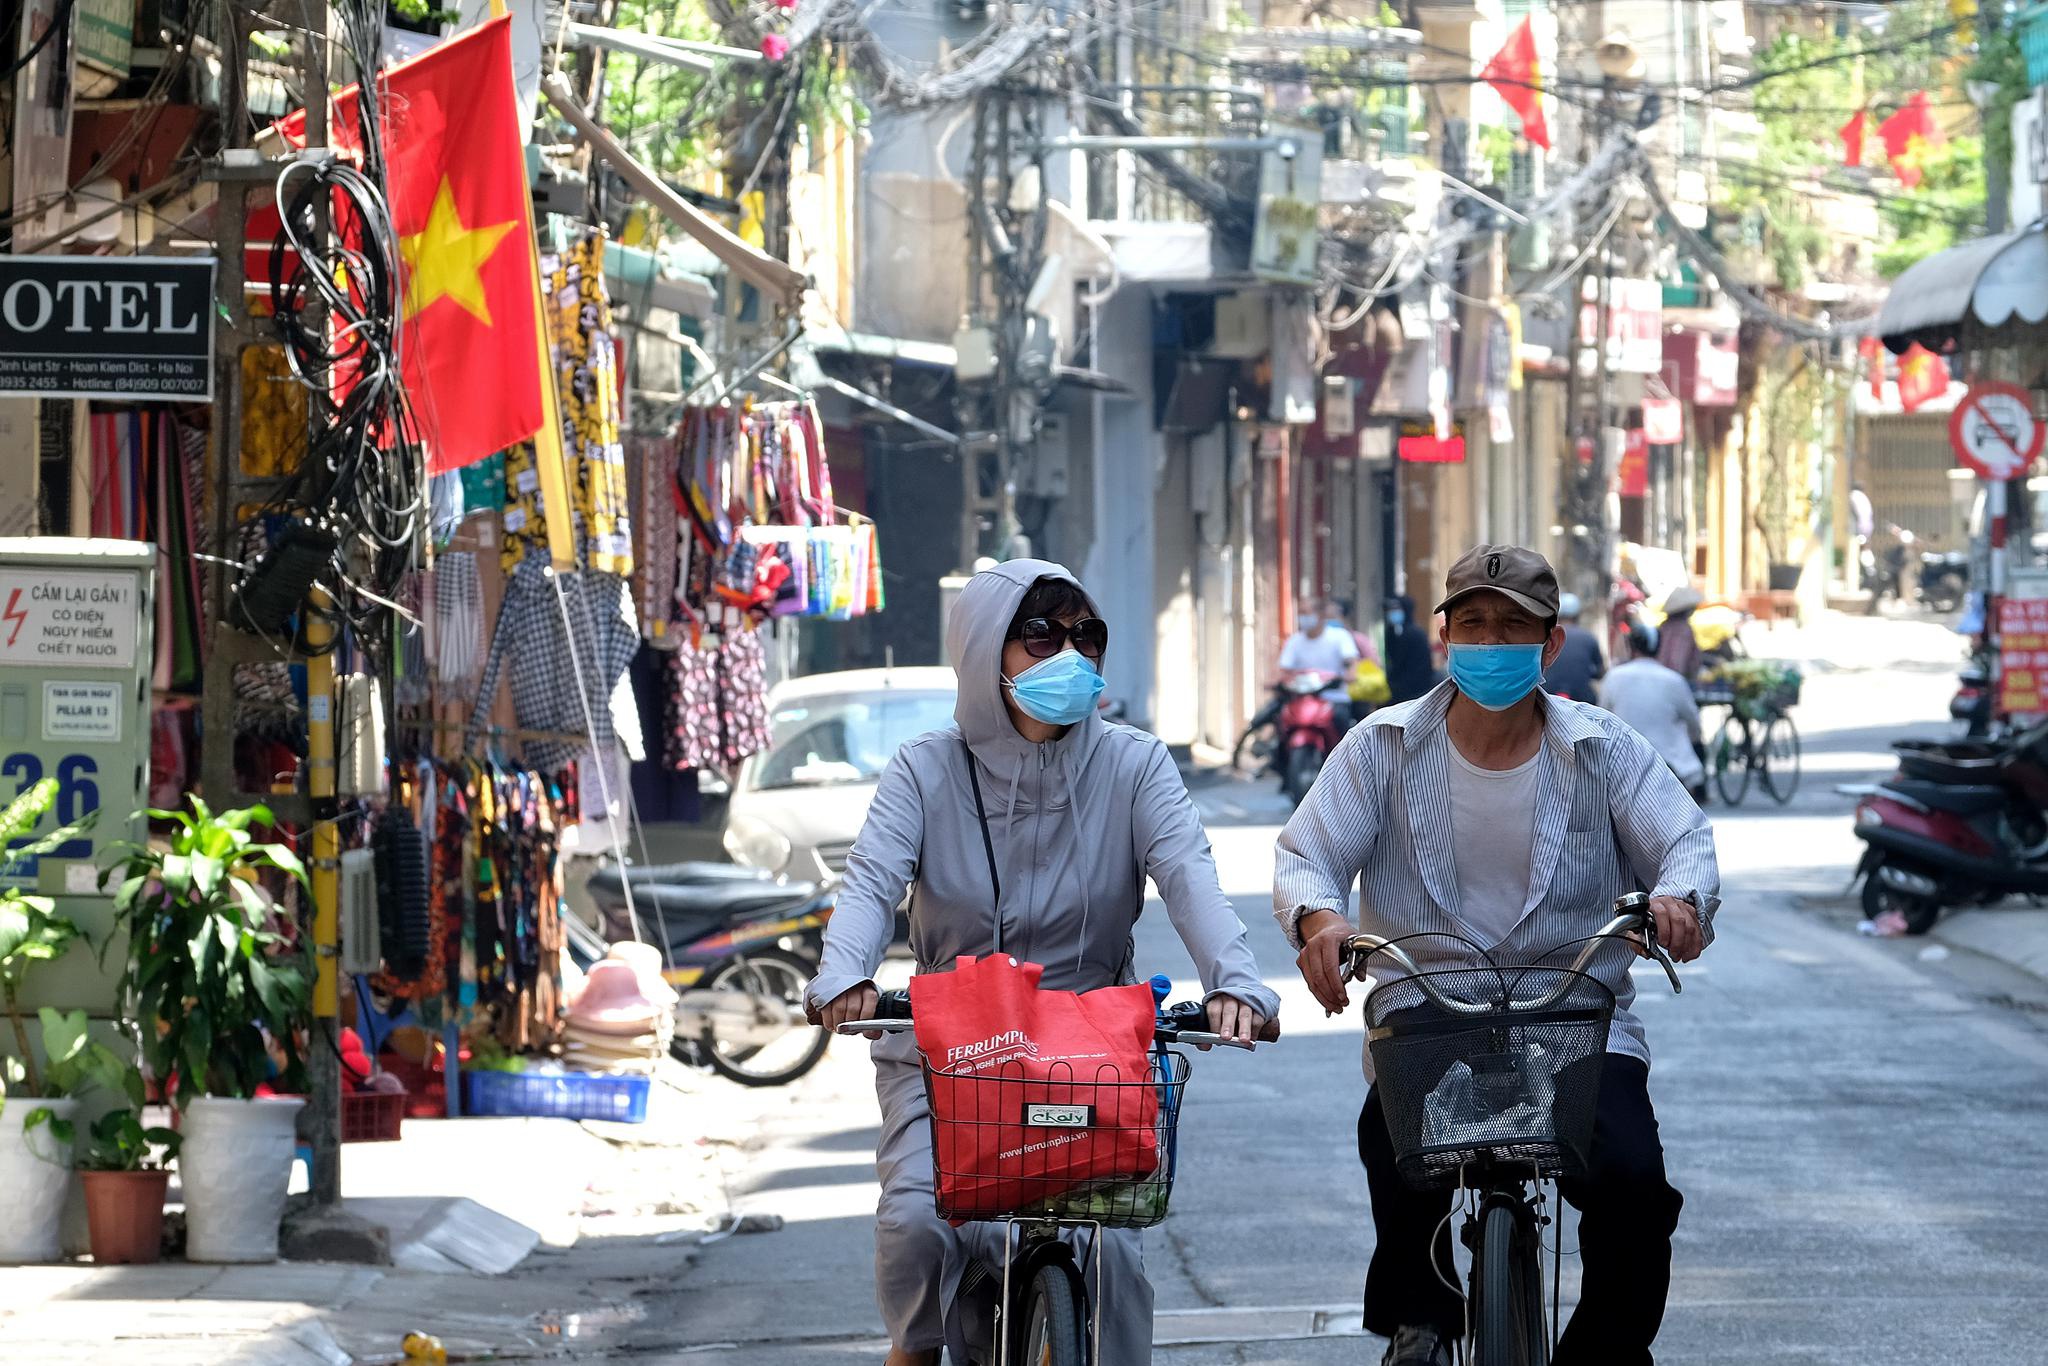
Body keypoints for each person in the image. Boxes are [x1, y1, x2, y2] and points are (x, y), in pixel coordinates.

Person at [807, 560, 1281, 1366]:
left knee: (1114, 1256)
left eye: (1086, 637)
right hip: (949, 1052)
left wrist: (1237, 982)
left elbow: (1193, 879)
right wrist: (843, 976)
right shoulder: (924, 770)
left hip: (1090, 1054)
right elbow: (869, 884)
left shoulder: (1134, 765)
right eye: (1041, 635)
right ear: (987, 651)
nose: (1070, 654)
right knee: (919, 1226)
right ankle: (915, 1352)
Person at [1273, 543, 1719, 1366]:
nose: (1490, 639)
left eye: (1512, 625)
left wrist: (1678, 902)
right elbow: (1308, 856)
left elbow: (1683, 840)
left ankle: (1603, 1356)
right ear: (1444, 635)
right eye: (1473, 622)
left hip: (1577, 1017)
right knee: (1393, 1145)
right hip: (1430, 1011)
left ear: (1550, 644)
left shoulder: (1606, 749)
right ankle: (1422, 1321)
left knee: (1635, 1189)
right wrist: (1321, 924)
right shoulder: (1380, 747)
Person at [1601, 624, 1706, 803]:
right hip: (1673, 765)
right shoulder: (1674, 680)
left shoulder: (1614, 677)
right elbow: (1693, 722)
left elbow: (1602, 717)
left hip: (1623, 764)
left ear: (1631, 647)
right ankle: (1703, 794)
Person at [1280, 596, 1361, 726]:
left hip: (1334, 699)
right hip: (1302, 700)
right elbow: (1284, 669)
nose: (1302, 617)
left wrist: (1350, 674)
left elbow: (1352, 661)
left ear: (1321, 614)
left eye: (1306, 613)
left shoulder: (1339, 636)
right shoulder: (1294, 641)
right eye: (1300, 613)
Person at [1543, 591, 1607, 702]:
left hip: (1548, 695)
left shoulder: (1547, 637)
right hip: (1581, 698)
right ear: (1577, 616)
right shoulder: (1588, 638)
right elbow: (1600, 671)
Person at [1381, 593, 1436, 704]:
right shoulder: (1394, 633)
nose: (1392, 613)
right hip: (1400, 690)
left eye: (1396, 609)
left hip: (1415, 691)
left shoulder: (1414, 634)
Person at [1656, 584, 1706, 683]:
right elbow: (1677, 660)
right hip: (1672, 680)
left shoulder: (1664, 626)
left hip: (1658, 676)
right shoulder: (1683, 630)